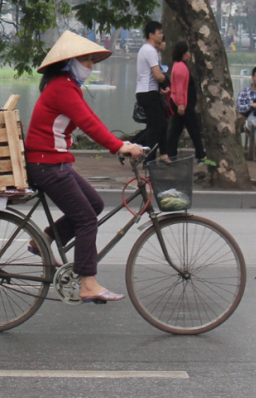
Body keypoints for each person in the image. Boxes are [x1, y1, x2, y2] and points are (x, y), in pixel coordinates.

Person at [23, 31, 144, 304]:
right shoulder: (62, 87)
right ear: (71, 61)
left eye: (92, 61)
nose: (90, 66)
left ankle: (41, 239)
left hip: (55, 162)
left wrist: (120, 142)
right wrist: (117, 147)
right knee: (86, 218)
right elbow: (88, 125)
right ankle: (88, 284)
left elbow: (90, 118)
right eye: (86, 60)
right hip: (47, 164)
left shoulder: (66, 86)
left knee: (95, 204)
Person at [132, 20, 169, 153]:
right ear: (151, 35)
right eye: (159, 33)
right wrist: (167, 79)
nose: (161, 35)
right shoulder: (149, 50)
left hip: (147, 91)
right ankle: (145, 156)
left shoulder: (147, 50)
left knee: (161, 124)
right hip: (148, 92)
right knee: (155, 127)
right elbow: (158, 76)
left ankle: (163, 155)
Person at [165, 40, 204, 162]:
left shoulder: (178, 65)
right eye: (187, 51)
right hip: (183, 104)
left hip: (181, 103)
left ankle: (171, 155)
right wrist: (181, 105)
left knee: (175, 131)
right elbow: (180, 88)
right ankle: (201, 155)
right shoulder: (181, 68)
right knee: (194, 129)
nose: (189, 54)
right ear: (183, 53)